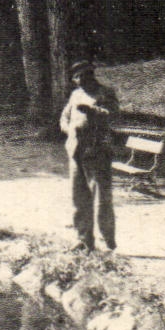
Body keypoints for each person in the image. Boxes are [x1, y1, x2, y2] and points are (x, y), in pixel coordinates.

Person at [59, 60, 119, 252]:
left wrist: (93, 111)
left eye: (85, 76)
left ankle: (106, 239)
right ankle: (83, 238)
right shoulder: (75, 94)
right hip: (76, 150)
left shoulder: (105, 93)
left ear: (92, 75)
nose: (81, 80)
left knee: (102, 198)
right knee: (79, 197)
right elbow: (64, 117)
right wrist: (70, 130)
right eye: (77, 77)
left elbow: (114, 114)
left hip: (98, 150)